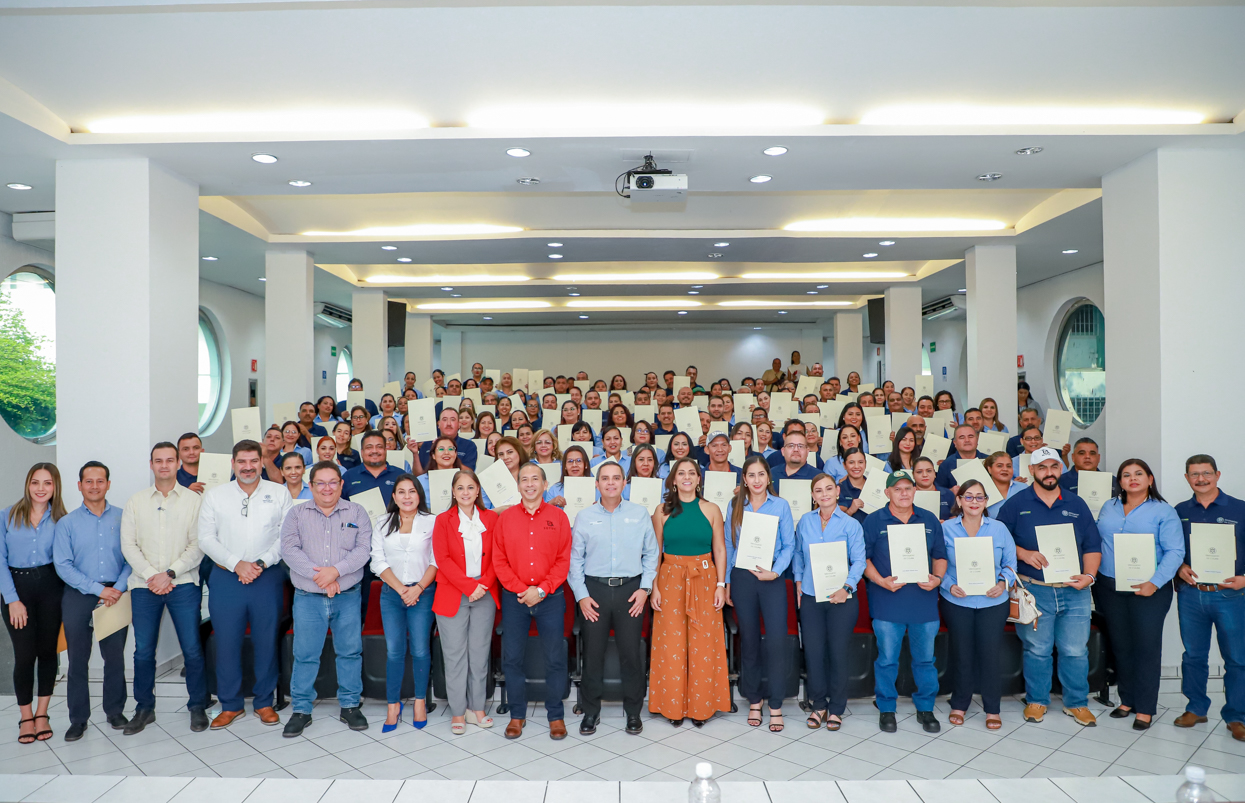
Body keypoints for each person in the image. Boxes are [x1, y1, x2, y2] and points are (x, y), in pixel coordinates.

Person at [995, 446, 1101, 727]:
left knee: (1076, 650)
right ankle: (1037, 701)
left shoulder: (1077, 504)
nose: (1049, 472)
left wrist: (1089, 576)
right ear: (1031, 471)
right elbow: (998, 541)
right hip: (1034, 590)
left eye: (1054, 466)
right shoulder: (1016, 504)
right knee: (1037, 649)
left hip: (1075, 590)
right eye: (1042, 467)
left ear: (1061, 469)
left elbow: (1092, 545)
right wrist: (1023, 553)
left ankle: (1076, 703)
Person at [197, 440, 294, 730]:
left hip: (267, 576)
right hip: (227, 577)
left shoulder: (279, 493)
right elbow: (205, 538)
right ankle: (230, 704)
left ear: (262, 462)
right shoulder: (216, 496)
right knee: (226, 642)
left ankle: (264, 703)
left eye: (254, 461)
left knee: (266, 641)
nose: (248, 467)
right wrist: (236, 563)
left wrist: (261, 563)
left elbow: (285, 537)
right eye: (242, 461)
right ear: (233, 464)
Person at [119, 443, 208, 735]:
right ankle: (144, 708)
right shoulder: (136, 501)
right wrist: (152, 576)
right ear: (151, 465)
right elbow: (128, 546)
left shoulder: (193, 501)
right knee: (143, 651)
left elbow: (198, 546)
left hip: (182, 583)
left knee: (192, 649)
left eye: (170, 460)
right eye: (159, 461)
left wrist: (168, 574)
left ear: (177, 462)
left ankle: (197, 706)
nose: (165, 465)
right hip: (145, 587)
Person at [280, 460, 373, 737]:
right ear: (311, 486)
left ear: (341, 484)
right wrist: (320, 577)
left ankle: (350, 706)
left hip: (347, 596)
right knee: (305, 655)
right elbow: (289, 550)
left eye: (333, 482)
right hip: (309, 596)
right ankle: (301, 710)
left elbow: (363, 550)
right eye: (320, 482)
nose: (327, 488)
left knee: (349, 652)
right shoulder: (296, 515)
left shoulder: (357, 511)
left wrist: (335, 573)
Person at [569, 462, 659, 735]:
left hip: (630, 591)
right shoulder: (584, 516)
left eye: (616, 478)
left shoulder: (639, 513)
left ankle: (633, 712)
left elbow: (651, 554)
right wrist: (581, 596)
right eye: (605, 479)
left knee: (631, 655)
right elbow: (575, 560)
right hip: (593, 592)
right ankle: (591, 712)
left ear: (624, 483)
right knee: (593, 655)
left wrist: (644, 590)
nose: (610, 483)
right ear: (596, 484)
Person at [1094, 458, 1184, 730]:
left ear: (1149, 479)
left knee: (1145, 647)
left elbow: (1175, 551)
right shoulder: (1108, 507)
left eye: (1138, 474)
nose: (1132, 479)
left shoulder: (1163, 511)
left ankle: (1145, 707)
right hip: (1110, 586)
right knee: (1121, 644)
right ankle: (1127, 699)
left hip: (1149, 590)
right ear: (1119, 481)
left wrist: (1154, 582)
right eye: (1126, 475)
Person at [492, 463, 573, 740]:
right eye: (524, 480)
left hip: (550, 597)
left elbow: (563, 561)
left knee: (555, 658)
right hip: (515, 599)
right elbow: (499, 561)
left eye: (534, 479)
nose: (529, 484)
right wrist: (520, 590)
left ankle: (555, 715)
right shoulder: (505, 519)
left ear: (545, 484)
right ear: (517, 486)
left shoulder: (558, 518)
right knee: (513, 659)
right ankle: (517, 714)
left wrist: (540, 590)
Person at [862, 470, 947, 733]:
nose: (903, 493)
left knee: (925, 660)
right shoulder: (874, 521)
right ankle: (887, 708)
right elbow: (862, 560)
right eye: (897, 488)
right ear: (887, 492)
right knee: (887, 659)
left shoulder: (929, 519)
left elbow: (940, 555)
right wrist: (881, 581)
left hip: (924, 602)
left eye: (908, 488)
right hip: (888, 602)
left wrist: (938, 579)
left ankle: (926, 708)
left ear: (915, 490)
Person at [649, 458, 731, 726]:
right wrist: (654, 588)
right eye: (680, 473)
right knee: (671, 643)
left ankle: (701, 707)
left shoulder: (712, 510)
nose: (686, 477)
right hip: (670, 577)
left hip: (705, 579)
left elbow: (720, 549)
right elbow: (654, 553)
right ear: (673, 480)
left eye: (691, 473)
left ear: (699, 479)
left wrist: (721, 585)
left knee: (703, 643)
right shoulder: (661, 511)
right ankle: (672, 707)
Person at [54, 461, 131, 741]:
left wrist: (117, 589)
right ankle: (78, 719)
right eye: (89, 481)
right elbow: (63, 565)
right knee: (77, 660)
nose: (95, 486)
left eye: (100, 481)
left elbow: (130, 558)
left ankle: (114, 710)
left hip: (115, 595)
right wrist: (98, 589)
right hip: (79, 594)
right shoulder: (67, 524)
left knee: (114, 658)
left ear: (108, 484)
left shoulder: (124, 518)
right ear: (80, 485)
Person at [1174, 455, 1245, 738]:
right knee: (1193, 655)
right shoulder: (1179, 511)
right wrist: (1179, 567)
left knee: (1237, 658)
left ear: (1217, 474)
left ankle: (1237, 716)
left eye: (1206, 473)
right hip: (1192, 595)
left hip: (1231, 595)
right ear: (1187, 478)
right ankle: (1196, 708)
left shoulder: (1240, 509)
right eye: (1194, 474)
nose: (1200, 479)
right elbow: (1171, 549)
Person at [939, 480, 1018, 729]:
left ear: (986, 502)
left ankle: (992, 708)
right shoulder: (946, 529)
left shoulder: (999, 528)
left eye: (979, 497)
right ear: (959, 500)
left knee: (990, 654)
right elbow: (938, 563)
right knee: (962, 654)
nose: (974, 502)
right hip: (957, 600)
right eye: (969, 497)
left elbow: (1011, 564)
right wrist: (948, 584)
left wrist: (1003, 583)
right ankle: (959, 703)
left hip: (993, 601)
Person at [725, 456, 795, 733]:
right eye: (751, 475)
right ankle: (754, 699)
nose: (756, 480)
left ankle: (775, 704)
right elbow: (731, 546)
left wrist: (775, 572)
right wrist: (728, 582)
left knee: (777, 641)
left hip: (772, 579)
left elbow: (789, 545)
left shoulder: (781, 506)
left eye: (761, 475)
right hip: (742, 578)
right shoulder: (735, 505)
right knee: (750, 641)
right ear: (744, 479)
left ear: (769, 478)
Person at [0, 464, 67, 744]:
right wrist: (13, 600)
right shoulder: (8, 515)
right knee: (25, 655)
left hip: (52, 587)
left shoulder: (63, 519)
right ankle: (25, 716)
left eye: (47, 483)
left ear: (55, 487)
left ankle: (42, 714)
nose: (41, 488)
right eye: (35, 482)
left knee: (48, 652)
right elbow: (0, 561)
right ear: (27, 485)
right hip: (18, 588)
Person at [432, 469, 501, 735]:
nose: (465, 492)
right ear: (453, 491)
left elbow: (498, 556)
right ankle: (458, 712)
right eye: (460, 488)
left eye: (470, 487)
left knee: (479, 654)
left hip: (484, 593)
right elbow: (443, 559)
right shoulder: (443, 520)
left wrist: (481, 585)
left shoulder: (491, 518)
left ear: (478, 490)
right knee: (455, 656)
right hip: (454, 594)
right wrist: (469, 586)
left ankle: (478, 708)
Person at [793, 473, 864, 731]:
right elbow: (799, 554)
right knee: (813, 653)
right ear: (813, 496)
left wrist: (847, 588)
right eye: (818, 490)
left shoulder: (850, 524)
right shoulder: (805, 522)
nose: (824, 494)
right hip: (811, 595)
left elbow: (859, 561)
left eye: (828, 489)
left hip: (841, 598)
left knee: (837, 653)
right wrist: (799, 581)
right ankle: (818, 705)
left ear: (837, 491)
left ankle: (836, 708)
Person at [371, 474, 438, 731]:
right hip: (391, 595)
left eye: (412, 491)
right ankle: (393, 705)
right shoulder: (382, 522)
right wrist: (401, 589)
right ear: (394, 496)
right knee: (394, 651)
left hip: (423, 594)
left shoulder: (432, 522)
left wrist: (418, 588)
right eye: (401, 492)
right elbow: (377, 561)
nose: (407, 496)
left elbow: (436, 560)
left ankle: (420, 702)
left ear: (419, 495)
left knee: (421, 650)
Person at [935, 425, 987, 490]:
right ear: (955, 443)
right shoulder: (946, 465)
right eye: (962, 437)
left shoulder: (989, 461)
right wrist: (950, 492)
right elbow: (940, 492)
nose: (967, 440)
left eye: (970, 436)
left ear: (977, 440)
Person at [983, 452, 1026, 517]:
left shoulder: (1023, 488)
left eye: (1009, 466)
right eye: (999, 466)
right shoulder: (981, 490)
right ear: (990, 469)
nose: (1005, 469)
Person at [836, 449, 869, 525]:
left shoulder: (874, 486)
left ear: (865, 464)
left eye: (860, 462)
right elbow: (835, 523)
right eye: (851, 462)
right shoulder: (838, 490)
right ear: (844, 465)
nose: (856, 466)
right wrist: (850, 511)